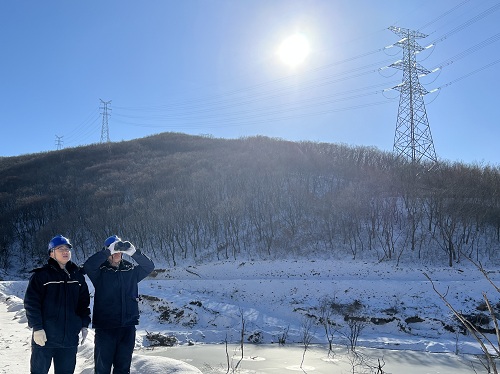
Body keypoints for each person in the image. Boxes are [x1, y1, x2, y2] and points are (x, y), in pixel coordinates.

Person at [83, 235, 155, 374]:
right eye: (114, 250)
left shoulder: (131, 270)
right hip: (106, 328)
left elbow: (149, 266)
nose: (117, 253)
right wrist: (107, 251)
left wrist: (134, 253)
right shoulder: (100, 272)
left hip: (127, 327)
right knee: (102, 369)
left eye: (119, 250)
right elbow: (88, 266)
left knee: (123, 369)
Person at [24, 235, 91, 374]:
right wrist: (37, 328)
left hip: (69, 340)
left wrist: (84, 324)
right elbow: (32, 303)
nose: (65, 251)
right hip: (45, 338)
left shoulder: (77, 276)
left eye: (67, 248)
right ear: (51, 253)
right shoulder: (41, 276)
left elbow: (83, 304)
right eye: (60, 248)